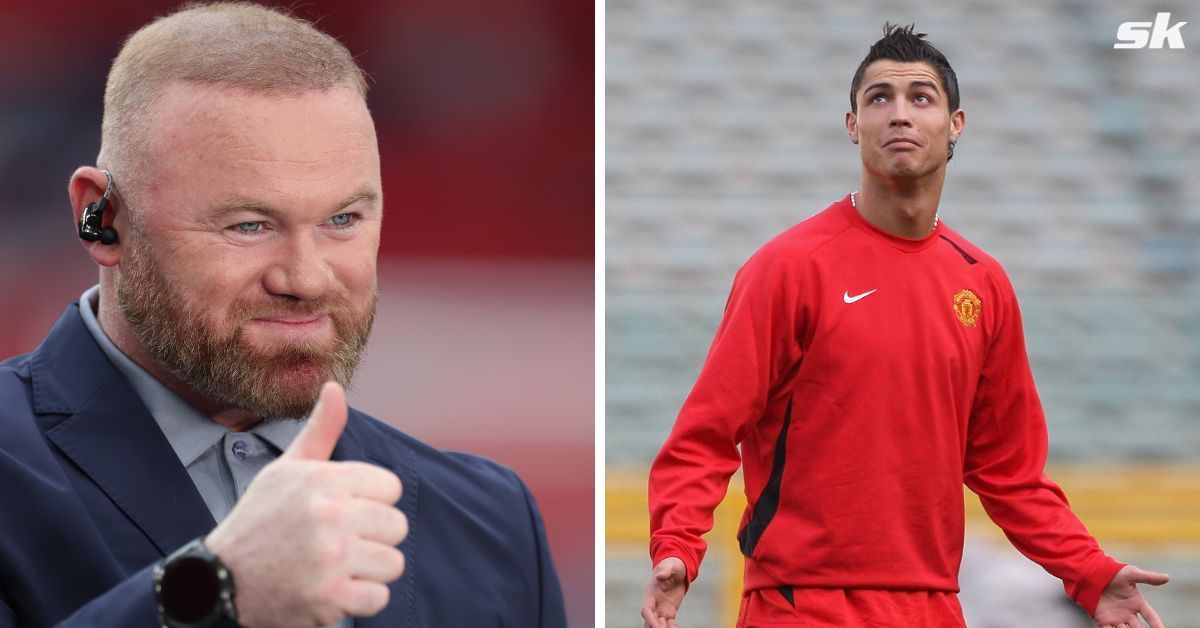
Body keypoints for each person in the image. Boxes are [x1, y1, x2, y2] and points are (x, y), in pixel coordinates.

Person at [0, 3, 566, 627]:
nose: (305, 278)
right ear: (103, 219)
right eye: (249, 225)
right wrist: (210, 595)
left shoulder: (491, 521)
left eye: (342, 220)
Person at [642, 23, 1168, 628]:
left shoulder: (983, 284)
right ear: (852, 125)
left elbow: (1011, 474)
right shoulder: (787, 268)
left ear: (955, 125)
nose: (899, 114)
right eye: (878, 98)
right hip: (802, 603)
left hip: (934, 606)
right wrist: (677, 546)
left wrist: (1089, 573)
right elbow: (704, 435)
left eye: (920, 97)